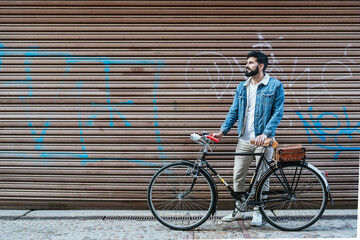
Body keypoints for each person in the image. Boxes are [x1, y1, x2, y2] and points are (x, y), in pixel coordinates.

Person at [212, 50, 285, 226]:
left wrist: (265, 133)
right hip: (244, 139)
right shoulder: (242, 87)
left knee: (262, 178)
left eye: (251, 63)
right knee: (238, 175)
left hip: (263, 140)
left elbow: (278, 113)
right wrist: (223, 131)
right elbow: (234, 111)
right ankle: (239, 210)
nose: (247, 65)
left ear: (260, 66)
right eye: (247, 62)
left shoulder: (275, 85)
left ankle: (258, 211)